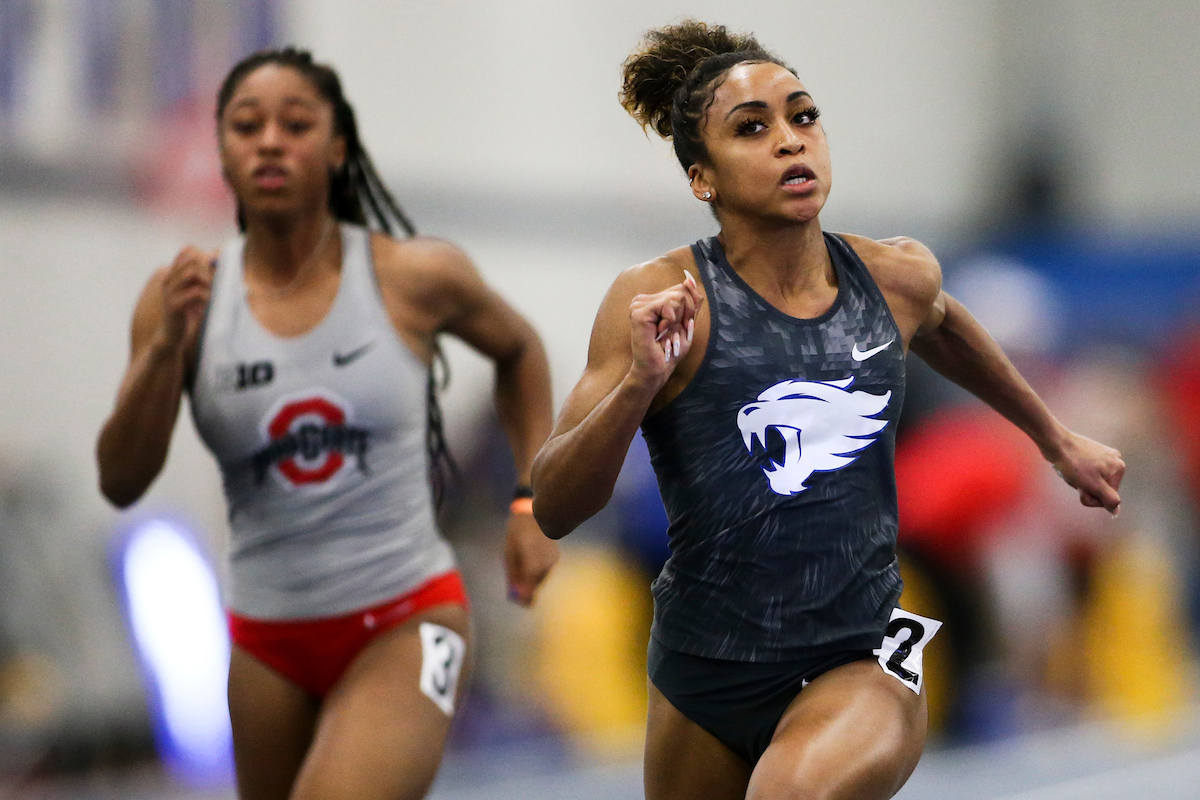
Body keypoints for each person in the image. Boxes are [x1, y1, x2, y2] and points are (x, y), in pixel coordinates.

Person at [530, 21, 1124, 800]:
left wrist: (1055, 438)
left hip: (868, 649)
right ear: (702, 177)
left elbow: (946, 325)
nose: (790, 141)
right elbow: (553, 505)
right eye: (753, 128)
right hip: (702, 671)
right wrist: (640, 383)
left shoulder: (895, 276)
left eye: (802, 116)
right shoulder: (660, 301)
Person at [96, 48, 559, 800]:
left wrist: (532, 503)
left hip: (410, 619)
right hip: (265, 643)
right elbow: (121, 481)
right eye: (247, 126)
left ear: (337, 146)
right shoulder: (183, 299)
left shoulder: (413, 276)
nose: (270, 140)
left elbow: (522, 351)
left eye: (295, 123)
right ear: (223, 151)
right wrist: (162, 353)